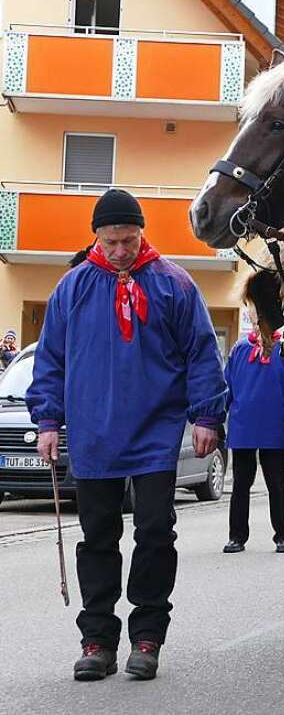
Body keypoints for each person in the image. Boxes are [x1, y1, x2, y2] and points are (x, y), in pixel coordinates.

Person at [26, 189, 226, 682]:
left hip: (156, 433)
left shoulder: (174, 284)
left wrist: (207, 416)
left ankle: (147, 637)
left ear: (142, 233)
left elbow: (203, 354)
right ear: (96, 236)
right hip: (94, 435)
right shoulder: (72, 288)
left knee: (155, 532)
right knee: (97, 537)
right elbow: (49, 361)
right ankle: (97, 640)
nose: (120, 250)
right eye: (111, 241)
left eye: (129, 239)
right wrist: (47, 422)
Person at [222, 328, 284, 554]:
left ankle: (283, 535)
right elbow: (228, 386)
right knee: (241, 484)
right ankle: (237, 536)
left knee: (277, 484)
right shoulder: (240, 349)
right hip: (244, 423)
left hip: (275, 422)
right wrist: (219, 414)